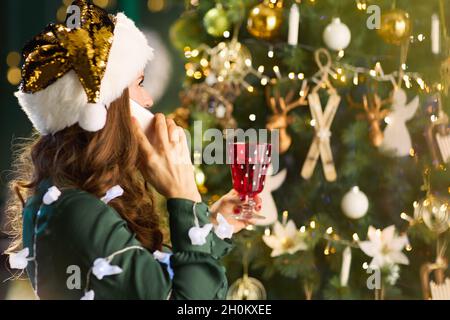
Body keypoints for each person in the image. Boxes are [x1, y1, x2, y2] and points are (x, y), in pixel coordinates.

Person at [5, 0, 258, 300]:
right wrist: (185, 195)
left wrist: (209, 227)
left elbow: (150, 279)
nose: (149, 99)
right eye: (139, 83)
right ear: (106, 106)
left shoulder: (74, 197)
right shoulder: (76, 209)